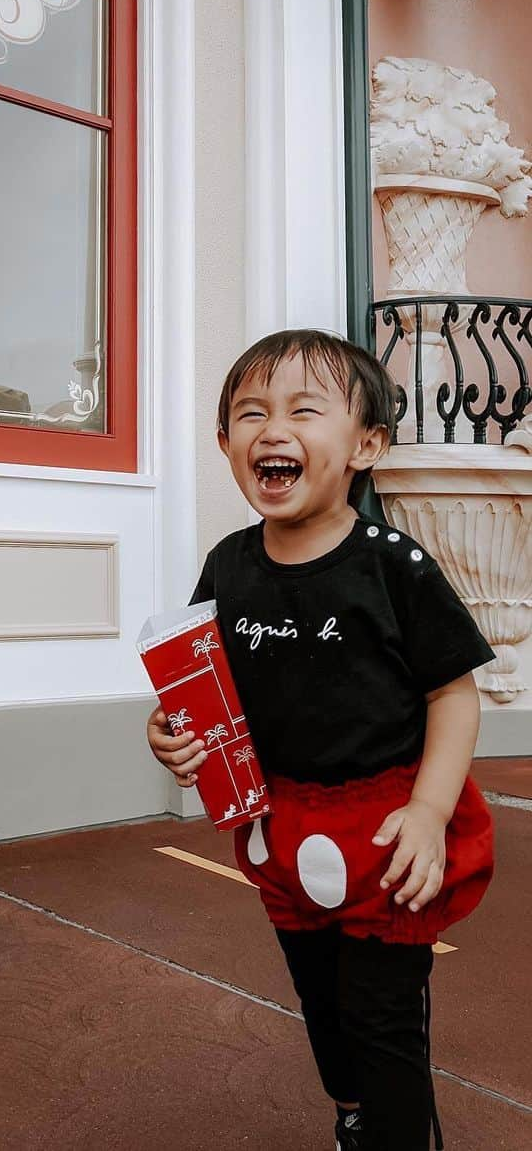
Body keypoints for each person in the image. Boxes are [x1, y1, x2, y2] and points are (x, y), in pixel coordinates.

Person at [146, 329, 496, 1151]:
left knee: (382, 1019)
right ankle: (354, 1114)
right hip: (281, 828)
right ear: (226, 443)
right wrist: (169, 732)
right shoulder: (227, 566)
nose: (274, 428)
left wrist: (428, 810)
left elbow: (454, 691)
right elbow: (203, 691)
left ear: (365, 444)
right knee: (322, 1002)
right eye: (251, 412)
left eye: (306, 410)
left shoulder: (392, 565)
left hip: (384, 829)